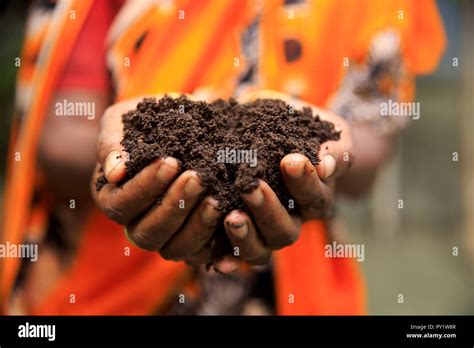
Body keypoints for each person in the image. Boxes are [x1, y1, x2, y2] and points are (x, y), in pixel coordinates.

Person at [1, 0, 445, 315]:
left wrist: (319, 158)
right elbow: (60, 137)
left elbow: (367, 138)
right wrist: (141, 160)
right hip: (109, 286)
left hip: (288, 287)